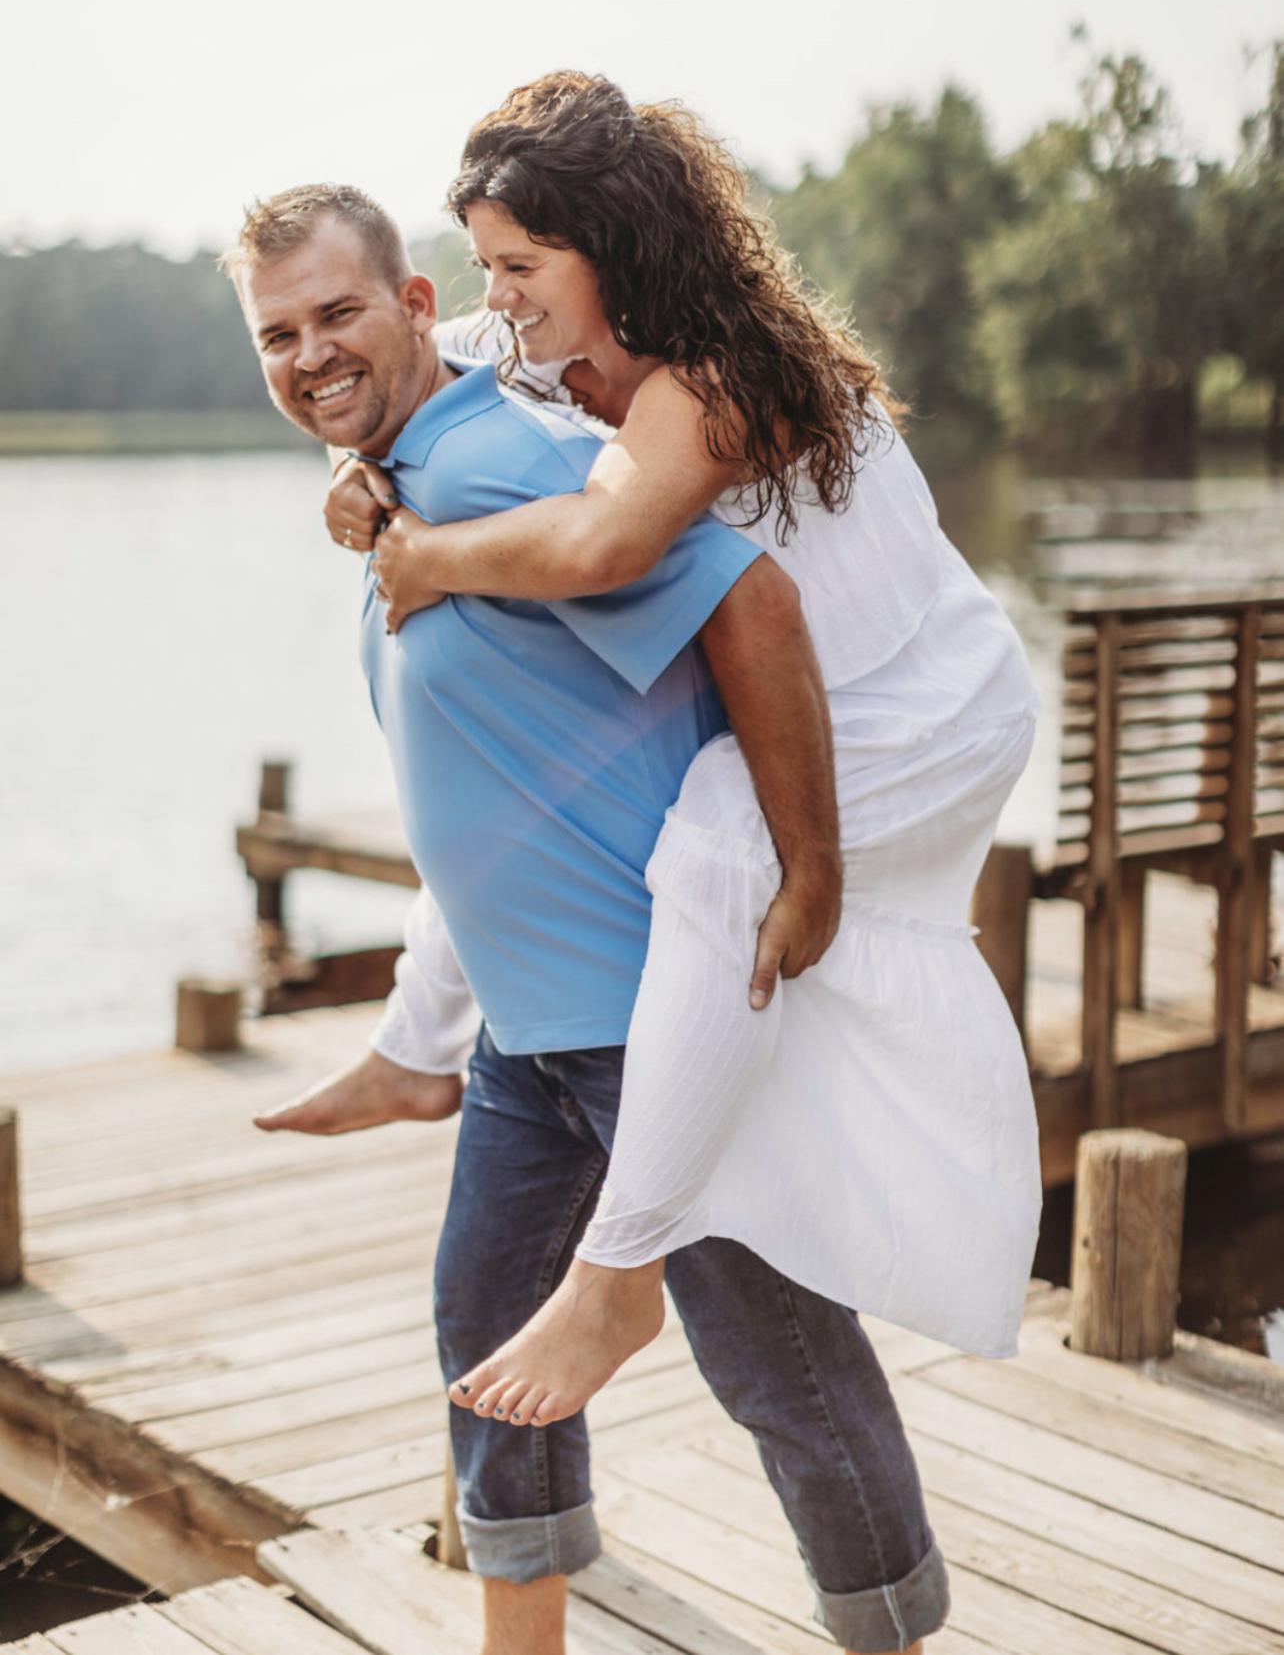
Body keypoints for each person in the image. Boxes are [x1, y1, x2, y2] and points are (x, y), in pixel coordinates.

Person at [226, 181, 950, 1655]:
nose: (309, 354)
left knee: (782, 1366)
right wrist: (365, 483)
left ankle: (891, 1635)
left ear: (418, 306)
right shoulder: (416, 470)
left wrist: (810, 868)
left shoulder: (498, 459)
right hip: (528, 1035)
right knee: (486, 1319)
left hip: (655, 1023)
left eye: (338, 313)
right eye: (276, 334)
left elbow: (753, 603)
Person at [315, 73, 1042, 1440]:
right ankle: (416, 1045)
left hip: (916, 700)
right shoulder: (539, 336)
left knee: (709, 841)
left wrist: (426, 557)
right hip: (788, 687)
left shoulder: (726, 375)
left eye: (521, 265)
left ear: (614, 250)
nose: (497, 297)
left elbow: (606, 543)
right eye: (485, 265)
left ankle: (619, 1272)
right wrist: (355, 477)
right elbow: (401, 376)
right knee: (542, 772)